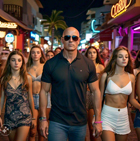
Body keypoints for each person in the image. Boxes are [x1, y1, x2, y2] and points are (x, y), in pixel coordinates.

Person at [39, 27, 102, 141]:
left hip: (79, 121)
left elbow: (96, 91)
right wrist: (43, 119)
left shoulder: (88, 64)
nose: (71, 40)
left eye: (74, 38)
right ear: (62, 40)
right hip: (57, 120)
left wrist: (98, 120)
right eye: (67, 37)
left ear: (78, 40)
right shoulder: (50, 64)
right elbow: (43, 91)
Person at [100, 46, 140, 141]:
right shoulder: (106, 76)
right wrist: (96, 117)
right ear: (115, 58)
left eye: (126, 57)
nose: (124, 59)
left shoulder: (131, 77)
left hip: (123, 116)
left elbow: (132, 99)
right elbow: (99, 98)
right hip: (107, 115)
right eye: (120, 56)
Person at [0, 51, 36, 141]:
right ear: (9, 62)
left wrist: (34, 117)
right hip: (9, 117)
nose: (16, 63)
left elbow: (30, 98)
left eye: (19, 60)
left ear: (22, 63)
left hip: (24, 116)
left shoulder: (27, 78)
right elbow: (1, 99)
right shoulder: (4, 79)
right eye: (13, 60)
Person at [85, 46, 104, 141]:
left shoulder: (101, 67)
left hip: (95, 96)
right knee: (82, 128)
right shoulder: (83, 66)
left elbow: (102, 85)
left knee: (92, 127)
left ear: (97, 54)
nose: (92, 54)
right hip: (84, 96)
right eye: (90, 53)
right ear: (86, 55)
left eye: (94, 52)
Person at [27, 45, 46, 141]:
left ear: (41, 54)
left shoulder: (45, 66)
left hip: (44, 99)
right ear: (30, 54)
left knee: (42, 131)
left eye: (38, 52)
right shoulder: (26, 67)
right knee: (32, 130)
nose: (35, 54)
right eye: (33, 52)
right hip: (30, 98)